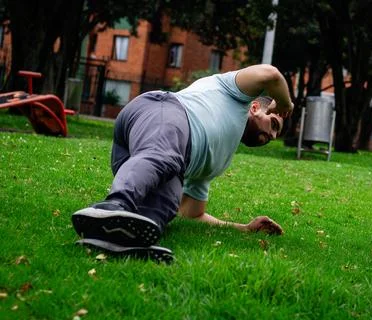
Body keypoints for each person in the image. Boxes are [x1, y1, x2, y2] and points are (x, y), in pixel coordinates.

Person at [71, 64, 294, 262]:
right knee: (164, 155)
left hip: (146, 162)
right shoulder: (236, 92)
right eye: (274, 123)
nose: (273, 136)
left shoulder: (221, 160)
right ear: (255, 108)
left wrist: (244, 228)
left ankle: (118, 239)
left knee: (165, 205)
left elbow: (192, 214)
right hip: (161, 112)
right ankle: (112, 207)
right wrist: (285, 104)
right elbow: (270, 74)